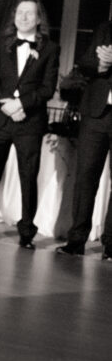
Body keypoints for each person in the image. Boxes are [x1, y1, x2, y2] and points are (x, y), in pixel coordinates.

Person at [0, 0, 59, 248]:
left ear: (39, 19)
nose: (24, 17)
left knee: (28, 176)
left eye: (30, 13)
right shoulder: (1, 44)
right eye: (20, 12)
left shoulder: (50, 48)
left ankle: (26, 232)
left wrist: (22, 104)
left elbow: (48, 87)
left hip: (29, 123)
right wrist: (7, 104)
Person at [56, 19, 112, 259]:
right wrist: (102, 63)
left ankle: (111, 245)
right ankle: (76, 239)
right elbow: (85, 63)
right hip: (96, 112)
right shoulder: (105, 27)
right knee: (85, 177)